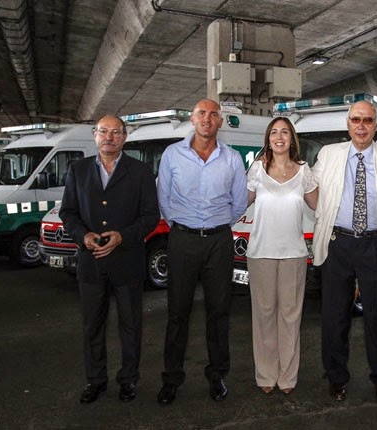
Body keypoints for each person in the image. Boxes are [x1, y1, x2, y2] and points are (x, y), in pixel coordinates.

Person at [311, 100, 377, 402]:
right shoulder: (329, 154)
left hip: (375, 245)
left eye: (368, 120)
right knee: (335, 317)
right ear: (348, 123)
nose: (361, 126)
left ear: (376, 125)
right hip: (337, 244)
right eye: (356, 119)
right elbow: (311, 188)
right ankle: (336, 378)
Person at [59, 115, 160, 404]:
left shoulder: (140, 171)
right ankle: (95, 380)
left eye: (116, 132)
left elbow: (151, 216)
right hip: (91, 262)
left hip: (127, 261)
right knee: (92, 326)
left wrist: (122, 236)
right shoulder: (77, 170)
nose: (109, 137)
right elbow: (68, 212)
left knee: (130, 326)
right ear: (94, 135)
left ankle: (129, 380)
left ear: (124, 137)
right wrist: (83, 236)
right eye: (104, 131)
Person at [156, 99, 248, 405]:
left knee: (219, 312)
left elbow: (239, 203)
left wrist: (216, 226)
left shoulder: (232, 158)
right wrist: (183, 226)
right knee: (177, 312)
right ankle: (171, 379)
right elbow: (164, 199)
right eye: (201, 114)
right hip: (182, 240)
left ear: (220, 121)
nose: (207, 119)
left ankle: (217, 376)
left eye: (213, 114)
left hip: (219, 242)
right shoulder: (172, 154)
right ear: (192, 119)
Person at [246, 117, 318, 395]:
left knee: (290, 316)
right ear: (268, 139)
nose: (279, 137)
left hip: (294, 255)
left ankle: (287, 377)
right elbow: (238, 203)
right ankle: (266, 374)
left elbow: (320, 205)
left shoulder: (304, 171)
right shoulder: (256, 170)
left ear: (292, 139)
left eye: (284, 132)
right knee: (263, 316)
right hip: (260, 253)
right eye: (274, 132)